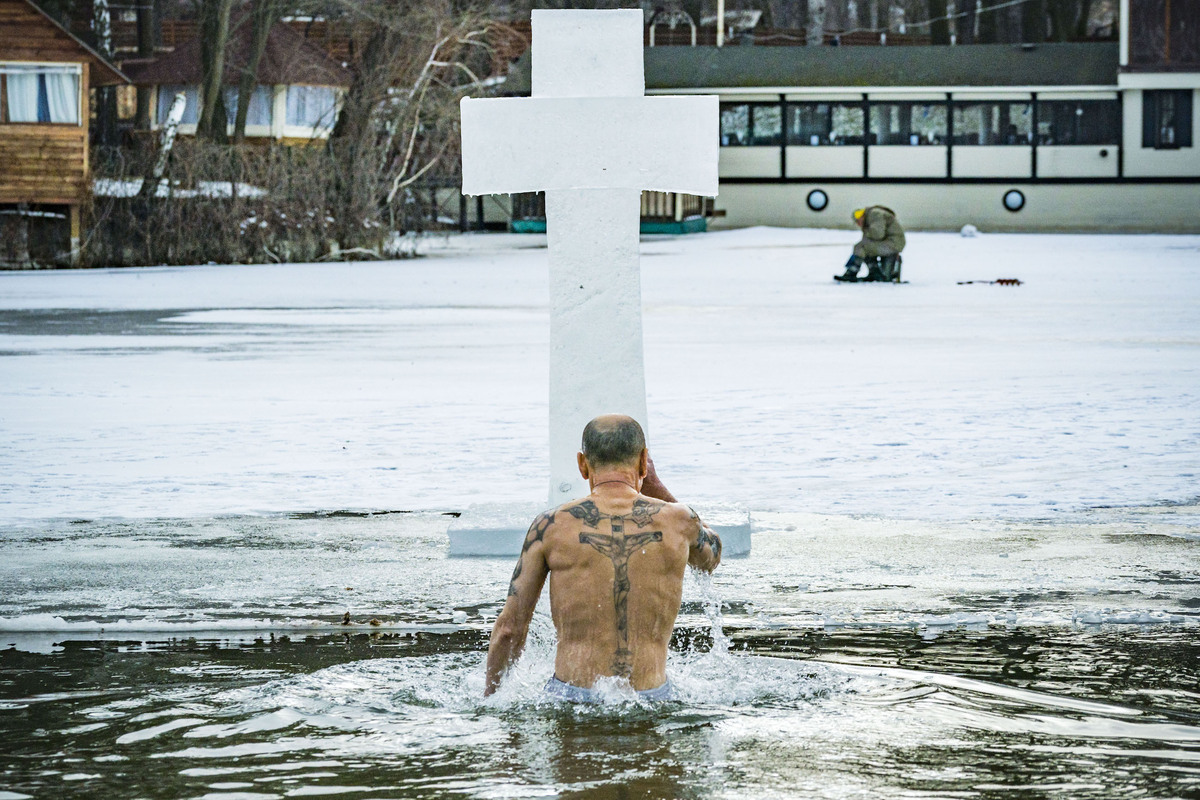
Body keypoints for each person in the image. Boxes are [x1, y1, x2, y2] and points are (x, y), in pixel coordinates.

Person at [484, 414, 721, 702]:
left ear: (582, 464)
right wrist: (656, 487)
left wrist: (490, 702)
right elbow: (712, 556)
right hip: (651, 696)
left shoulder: (551, 526)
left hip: (570, 696)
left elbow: (509, 629)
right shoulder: (680, 521)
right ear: (644, 461)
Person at [835, 205, 906, 283]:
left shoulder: (874, 214)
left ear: (861, 217)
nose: (858, 224)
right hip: (891, 243)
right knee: (863, 247)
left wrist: (866, 231)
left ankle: (852, 271)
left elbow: (878, 234)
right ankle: (874, 272)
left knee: (861, 247)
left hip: (893, 243)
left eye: (857, 221)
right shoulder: (870, 219)